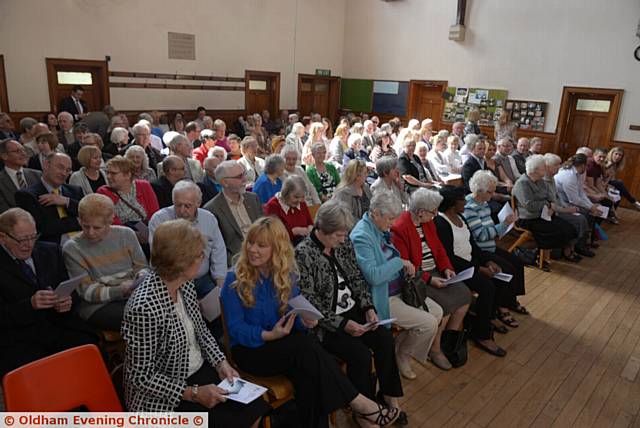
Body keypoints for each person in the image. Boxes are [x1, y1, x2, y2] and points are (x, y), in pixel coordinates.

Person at [221, 217, 400, 427]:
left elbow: (293, 314)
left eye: (261, 245)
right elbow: (235, 329)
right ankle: (361, 404)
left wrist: (305, 322)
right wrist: (269, 335)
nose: (252, 249)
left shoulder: (286, 274)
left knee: (309, 374)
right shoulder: (234, 279)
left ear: (277, 249)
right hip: (251, 350)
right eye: (250, 243)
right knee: (306, 348)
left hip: (284, 345)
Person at [121, 219, 269, 426]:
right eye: (199, 255)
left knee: (254, 406)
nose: (203, 259)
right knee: (228, 420)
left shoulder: (185, 283)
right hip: (164, 394)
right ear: (181, 262)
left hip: (195, 371)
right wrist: (193, 393)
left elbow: (201, 330)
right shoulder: (143, 308)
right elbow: (142, 378)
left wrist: (221, 362)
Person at [295, 200, 405, 417]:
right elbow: (310, 303)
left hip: (353, 311)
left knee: (384, 339)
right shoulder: (303, 254)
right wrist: (344, 324)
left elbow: (356, 278)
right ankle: (365, 411)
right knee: (360, 354)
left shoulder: (343, 245)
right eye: (339, 235)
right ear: (322, 230)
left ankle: (389, 394)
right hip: (327, 323)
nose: (344, 239)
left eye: (345, 234)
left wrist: (368, 306)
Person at [351, 192, 443, 380]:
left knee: (437, 312)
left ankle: (399, 349)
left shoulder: (378, 228)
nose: (393, 223)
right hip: (383, 296)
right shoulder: (362, 236)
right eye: (390, 218)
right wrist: (400, 262)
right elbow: (374, 277)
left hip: (400, 288)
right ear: (375, 213)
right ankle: (403, 355)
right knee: (429, 323)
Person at [0, 208, 97, 376]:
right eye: (22, 239)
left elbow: (69, 289)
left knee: (90, 352)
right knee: (40, 376)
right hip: (19, 336)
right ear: (3, 237)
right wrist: (30, 305)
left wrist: (68, 301)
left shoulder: (50, 251)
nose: (29, 244)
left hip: (58, 324)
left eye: (33, 236)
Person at [391, 189, 471, 370]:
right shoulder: (400, 228)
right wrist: (429, 279)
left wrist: (447, 268)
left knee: (465, 296)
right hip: (419, 279)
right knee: (445, 308)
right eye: (433, 211)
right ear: (420, 212)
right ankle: (434, 350)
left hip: (437, 272)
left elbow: (439, 249)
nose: (436, 214)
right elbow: (406, 266)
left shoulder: (428, 223)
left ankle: (447, 342)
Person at [434, 186, 512, 356]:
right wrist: (480, 269)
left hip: (470, 262)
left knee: (500, 275)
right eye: (462, 199)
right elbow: (449, 257)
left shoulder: (460, 216)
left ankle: (489, 317)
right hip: (456, 269)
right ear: (453, 203)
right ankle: (482, 335)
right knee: (487, 287)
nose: (466, 201)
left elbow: (472, 246)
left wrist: (488, 261)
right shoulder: (441, 222)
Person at [62, 194, 147, 331]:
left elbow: (142, 268)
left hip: (134, 295)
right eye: (85, 226)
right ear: (79, 220)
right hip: (98, 306)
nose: (90, 232)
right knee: (143, 316)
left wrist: (137, 282)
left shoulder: (126, 234)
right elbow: (86, 292)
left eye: (97, 228)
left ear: (110, 221)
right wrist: (122, 290)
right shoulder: (72, 248)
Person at [463, 171, 530, 311]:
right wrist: (504, 225)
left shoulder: (484, 202)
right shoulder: (470, 208)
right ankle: (502, 307)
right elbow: (480, 235)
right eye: (490, 192)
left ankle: (510, 300)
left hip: (490, 245)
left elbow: (489, 228)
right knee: (508, 269)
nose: (493, 195)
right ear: (479, 190)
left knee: (517, 263)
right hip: (481, 250)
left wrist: (502, 226)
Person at [149, 181, 227, 300]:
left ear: (198, 203)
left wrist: (220, 281)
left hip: (202, 278)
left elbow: (219, 251)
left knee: (219, 308)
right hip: (173, 279)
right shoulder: (159, 219)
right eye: (178, 205)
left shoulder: (208, 218)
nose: (182, 210)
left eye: (187, 206)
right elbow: (159, 257)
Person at [512, 155, 580, 262]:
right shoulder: (522, 183)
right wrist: (547, 204)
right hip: (528, 219)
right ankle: (540, 257)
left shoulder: (540, 181)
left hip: (543, 215)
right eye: (544, 168)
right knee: (555, 231)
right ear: (535, 170)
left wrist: (551, 205)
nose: (546, 169)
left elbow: (550, 197)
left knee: (568, 228)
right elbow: (529, 206)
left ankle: (556, 254)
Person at [203, 161, 262, 265]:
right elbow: (217, 248)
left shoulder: (253, 199)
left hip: (263, 252)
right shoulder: (212, 209)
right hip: (238, 261)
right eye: (239, 176)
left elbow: (264, 228)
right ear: (224, 182)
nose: (245, 179)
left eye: (244, 174)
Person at [16, 153, 83, 244]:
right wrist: (78, 220)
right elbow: (44, 228)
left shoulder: (75, 190)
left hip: (83, 241)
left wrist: (67, 202)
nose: (64, 173)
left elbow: (89, 214)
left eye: (68, 170)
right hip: (54, 248)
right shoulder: (27, 195)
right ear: (46, 165)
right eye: (60, 167)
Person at [543, 154, 594, 257]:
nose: (559, 167)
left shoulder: (552, 178)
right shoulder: (567, 176)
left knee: (585, 215)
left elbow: (559, 198)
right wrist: (566, 209)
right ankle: (573, 247)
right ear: (547, 167)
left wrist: (590, 205)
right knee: (581, 217)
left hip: (560, 206)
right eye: (556, 165)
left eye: (559, 164)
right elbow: (550, 204)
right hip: (551, 212)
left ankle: (576, 245)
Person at [97, 156, 159, 227]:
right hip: (122, 234)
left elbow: (154, 213)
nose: (108, 176)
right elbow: (111, 221)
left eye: (113, 173)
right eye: (107, 172)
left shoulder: (144, 186)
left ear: (127, 175)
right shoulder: (103, 192)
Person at [264, 175, 313, 245]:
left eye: (301, 197)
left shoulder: (301, 203)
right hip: (284, 249)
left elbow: (310, 223)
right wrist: (294, 231)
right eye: (296, 197)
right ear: (285, 193)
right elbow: (273, 235)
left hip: (304, 245)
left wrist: (310, 229)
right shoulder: (273, 206)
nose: (299, 200)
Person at [0, 139, 41, 214]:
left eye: (23, 150)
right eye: (17, 151)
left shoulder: (38, 175)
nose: (24, 154)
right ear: (4, 156)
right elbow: (4, 211)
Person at [586, 147, 617, 223]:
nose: (602, 159)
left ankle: (596, 224)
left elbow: (598, 184)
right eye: (600, 156)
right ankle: (594, 225)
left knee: (609, 200)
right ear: (594, 155)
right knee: (606, 201)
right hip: (585, 190)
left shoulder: (599, 165)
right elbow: (590, 185)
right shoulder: (590, 165)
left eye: (604, 157)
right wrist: (603, 195)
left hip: (590, 189)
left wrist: (606, 194)